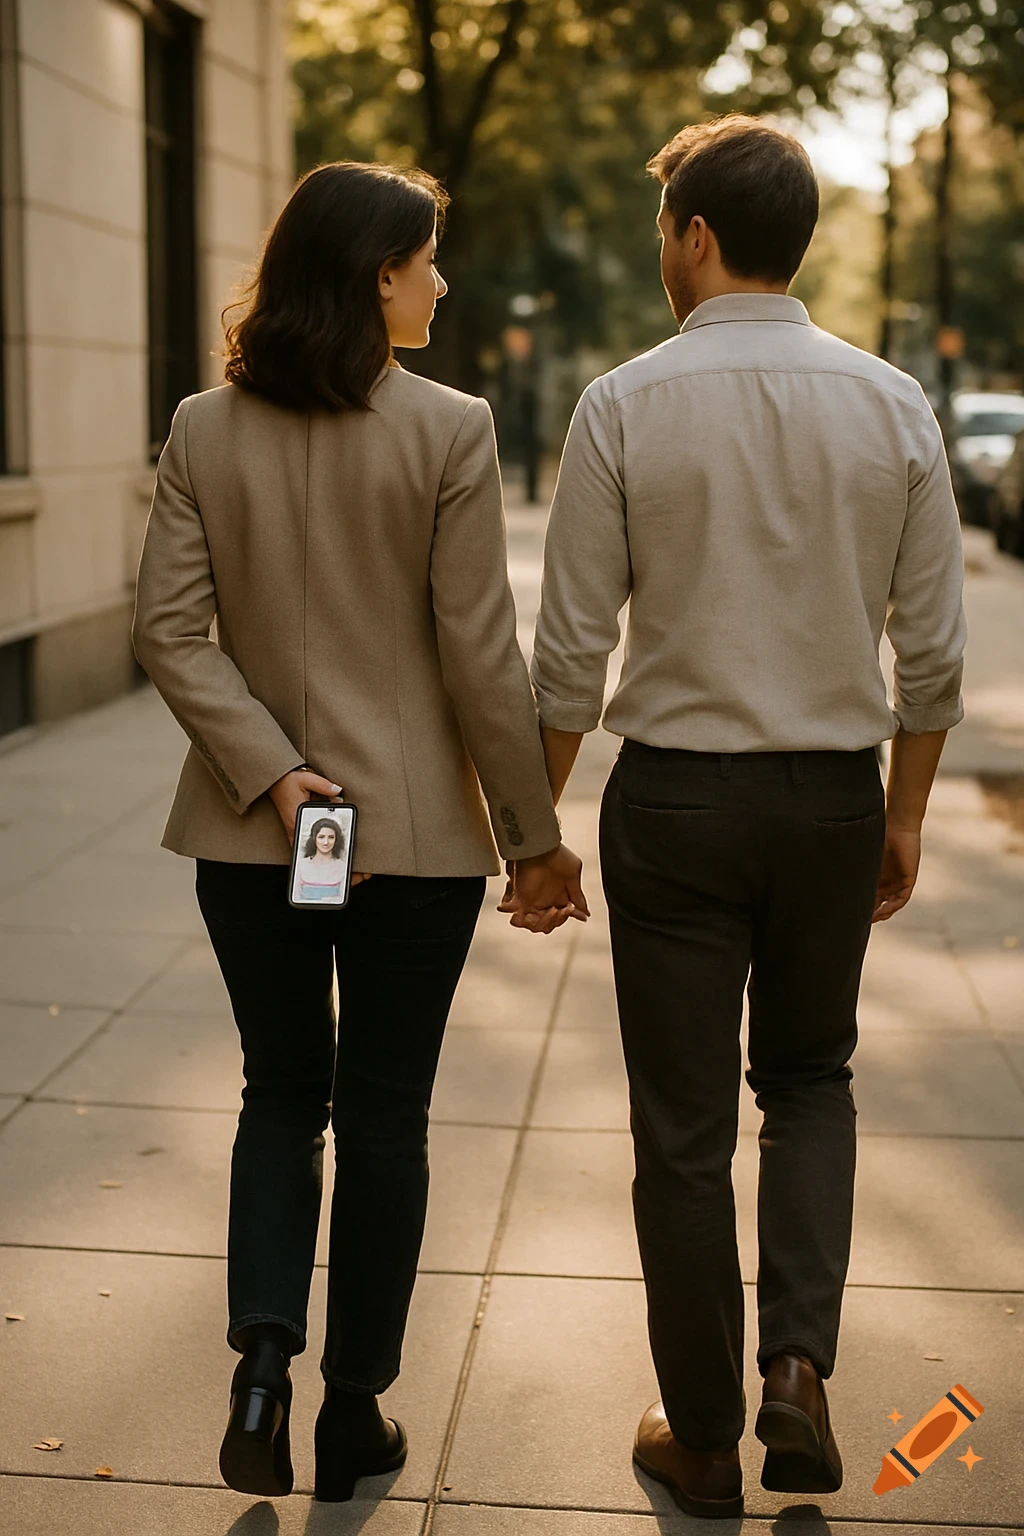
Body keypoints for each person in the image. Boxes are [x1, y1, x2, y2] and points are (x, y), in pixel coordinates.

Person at [530, 116, 966, 1518]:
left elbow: (570, 657)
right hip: (832, 799)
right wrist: (902, 818)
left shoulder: (621, 404)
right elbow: (938, 653)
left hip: (672, 802)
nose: (664, 254)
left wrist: (534, 830)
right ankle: (796, 1370)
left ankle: (705, 1434)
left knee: (681, 1128)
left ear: (696, 235)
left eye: (667, 230)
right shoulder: (895, 403)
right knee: (812, 1082)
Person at [133, 160, 587, 1504]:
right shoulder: (451, 428)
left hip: (253, 834)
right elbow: (476, 654)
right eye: (425, 259)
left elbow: (167, 632)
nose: (440, 281)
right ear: (372, 274)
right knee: (384, 1116)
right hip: (409, 844)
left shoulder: (204, 429)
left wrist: (274, 775)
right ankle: (354, 1410)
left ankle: (263, 1363)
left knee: (281, 1093)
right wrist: (533, 836)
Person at [295, 818, 347, 903]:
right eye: (321, 837)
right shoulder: (300, 865)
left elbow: (342, 899)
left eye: (331, 837)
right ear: (314, 838)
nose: (326, 842)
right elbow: (295, 897)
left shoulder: (343, 867)